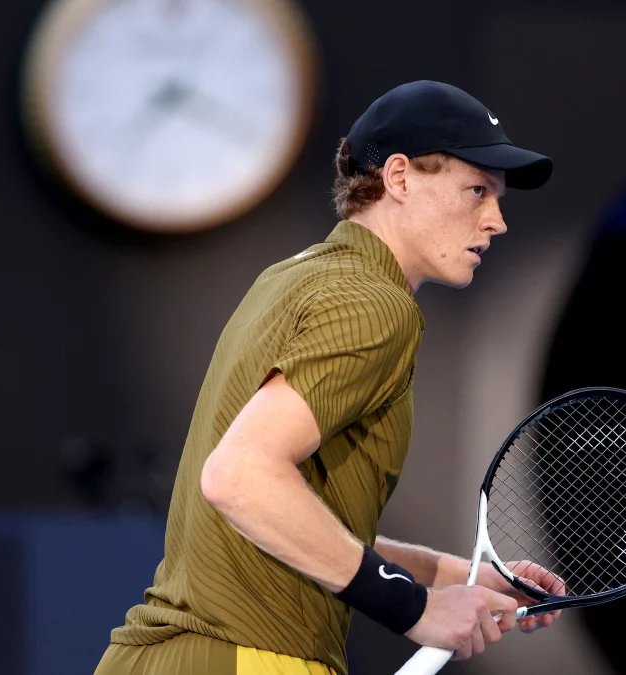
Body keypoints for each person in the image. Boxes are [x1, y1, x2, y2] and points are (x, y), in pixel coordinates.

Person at [94, 79, 563, 675]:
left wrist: (456, 578)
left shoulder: (290, 278)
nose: (496, 221)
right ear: (399, 177)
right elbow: (240, 477)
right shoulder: (376, 304)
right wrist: (416, 609)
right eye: (477, 190)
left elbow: (288, 520)